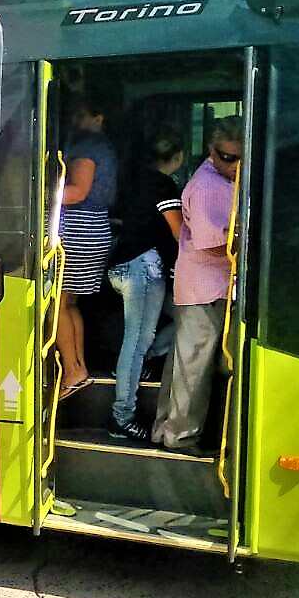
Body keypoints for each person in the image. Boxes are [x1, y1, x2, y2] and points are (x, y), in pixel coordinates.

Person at [151, 116, 243, 455]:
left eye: (239, 158)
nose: (234, 165)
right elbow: (214, 242)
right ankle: (180, 436)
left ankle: (166, 430)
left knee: (183, 363)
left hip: (208, 285)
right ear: (211, 151)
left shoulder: (223, 179)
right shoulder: (206, 187)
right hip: (204, 287)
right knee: (193, 367)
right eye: (228, 157)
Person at [105, 128, 185, 441]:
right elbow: (180, 234)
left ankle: (140, 363)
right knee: (136, 343)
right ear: (178, 158)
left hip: (120, 266)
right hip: (144, 269)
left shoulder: (134, 181)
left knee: (186, 317)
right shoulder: (163, 185)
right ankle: (122, 416)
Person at [57, 95, 118, 399]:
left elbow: (77, 192)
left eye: (82, 114)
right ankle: (79, 367)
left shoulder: (87, 147)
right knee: (69, 304)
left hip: (78, 231)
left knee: (55, 305)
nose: (76, 120)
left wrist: (36, 191)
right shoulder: (105, 147)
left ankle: (72, 370)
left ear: (98, 117)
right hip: (96, 231)